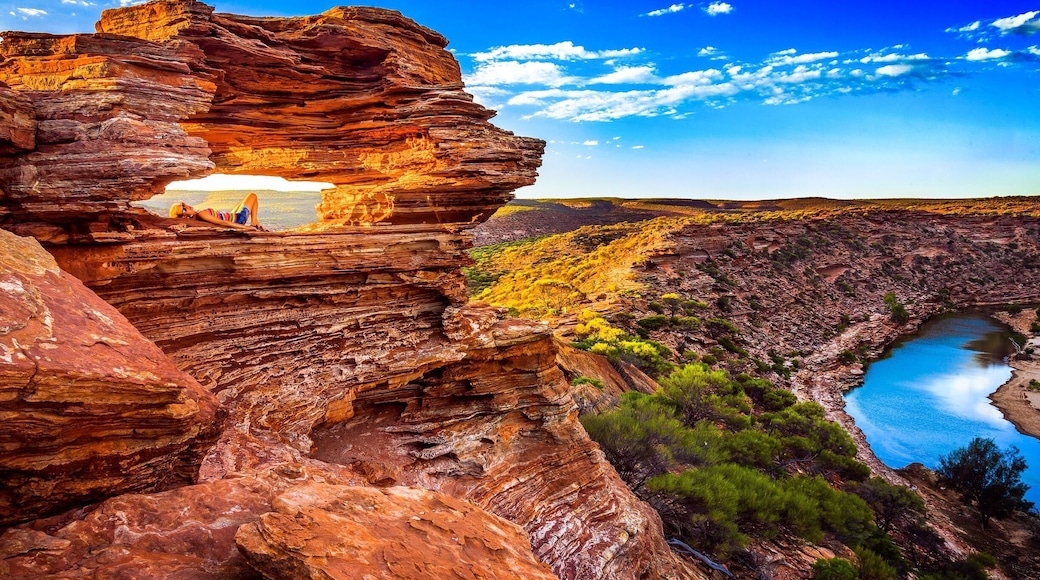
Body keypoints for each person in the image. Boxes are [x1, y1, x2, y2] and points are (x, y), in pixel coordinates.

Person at [169, 192, 262, 230]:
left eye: (183, 205)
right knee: (252, 196)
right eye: (184, 209)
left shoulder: (198, 214)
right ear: (184, 217)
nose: (187, 207)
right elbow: (223, 222)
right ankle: (254, 223)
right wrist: (247, 228)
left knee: (242, 203)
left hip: (233, 215)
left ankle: (256, 222)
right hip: (238, 220)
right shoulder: (201, 214)